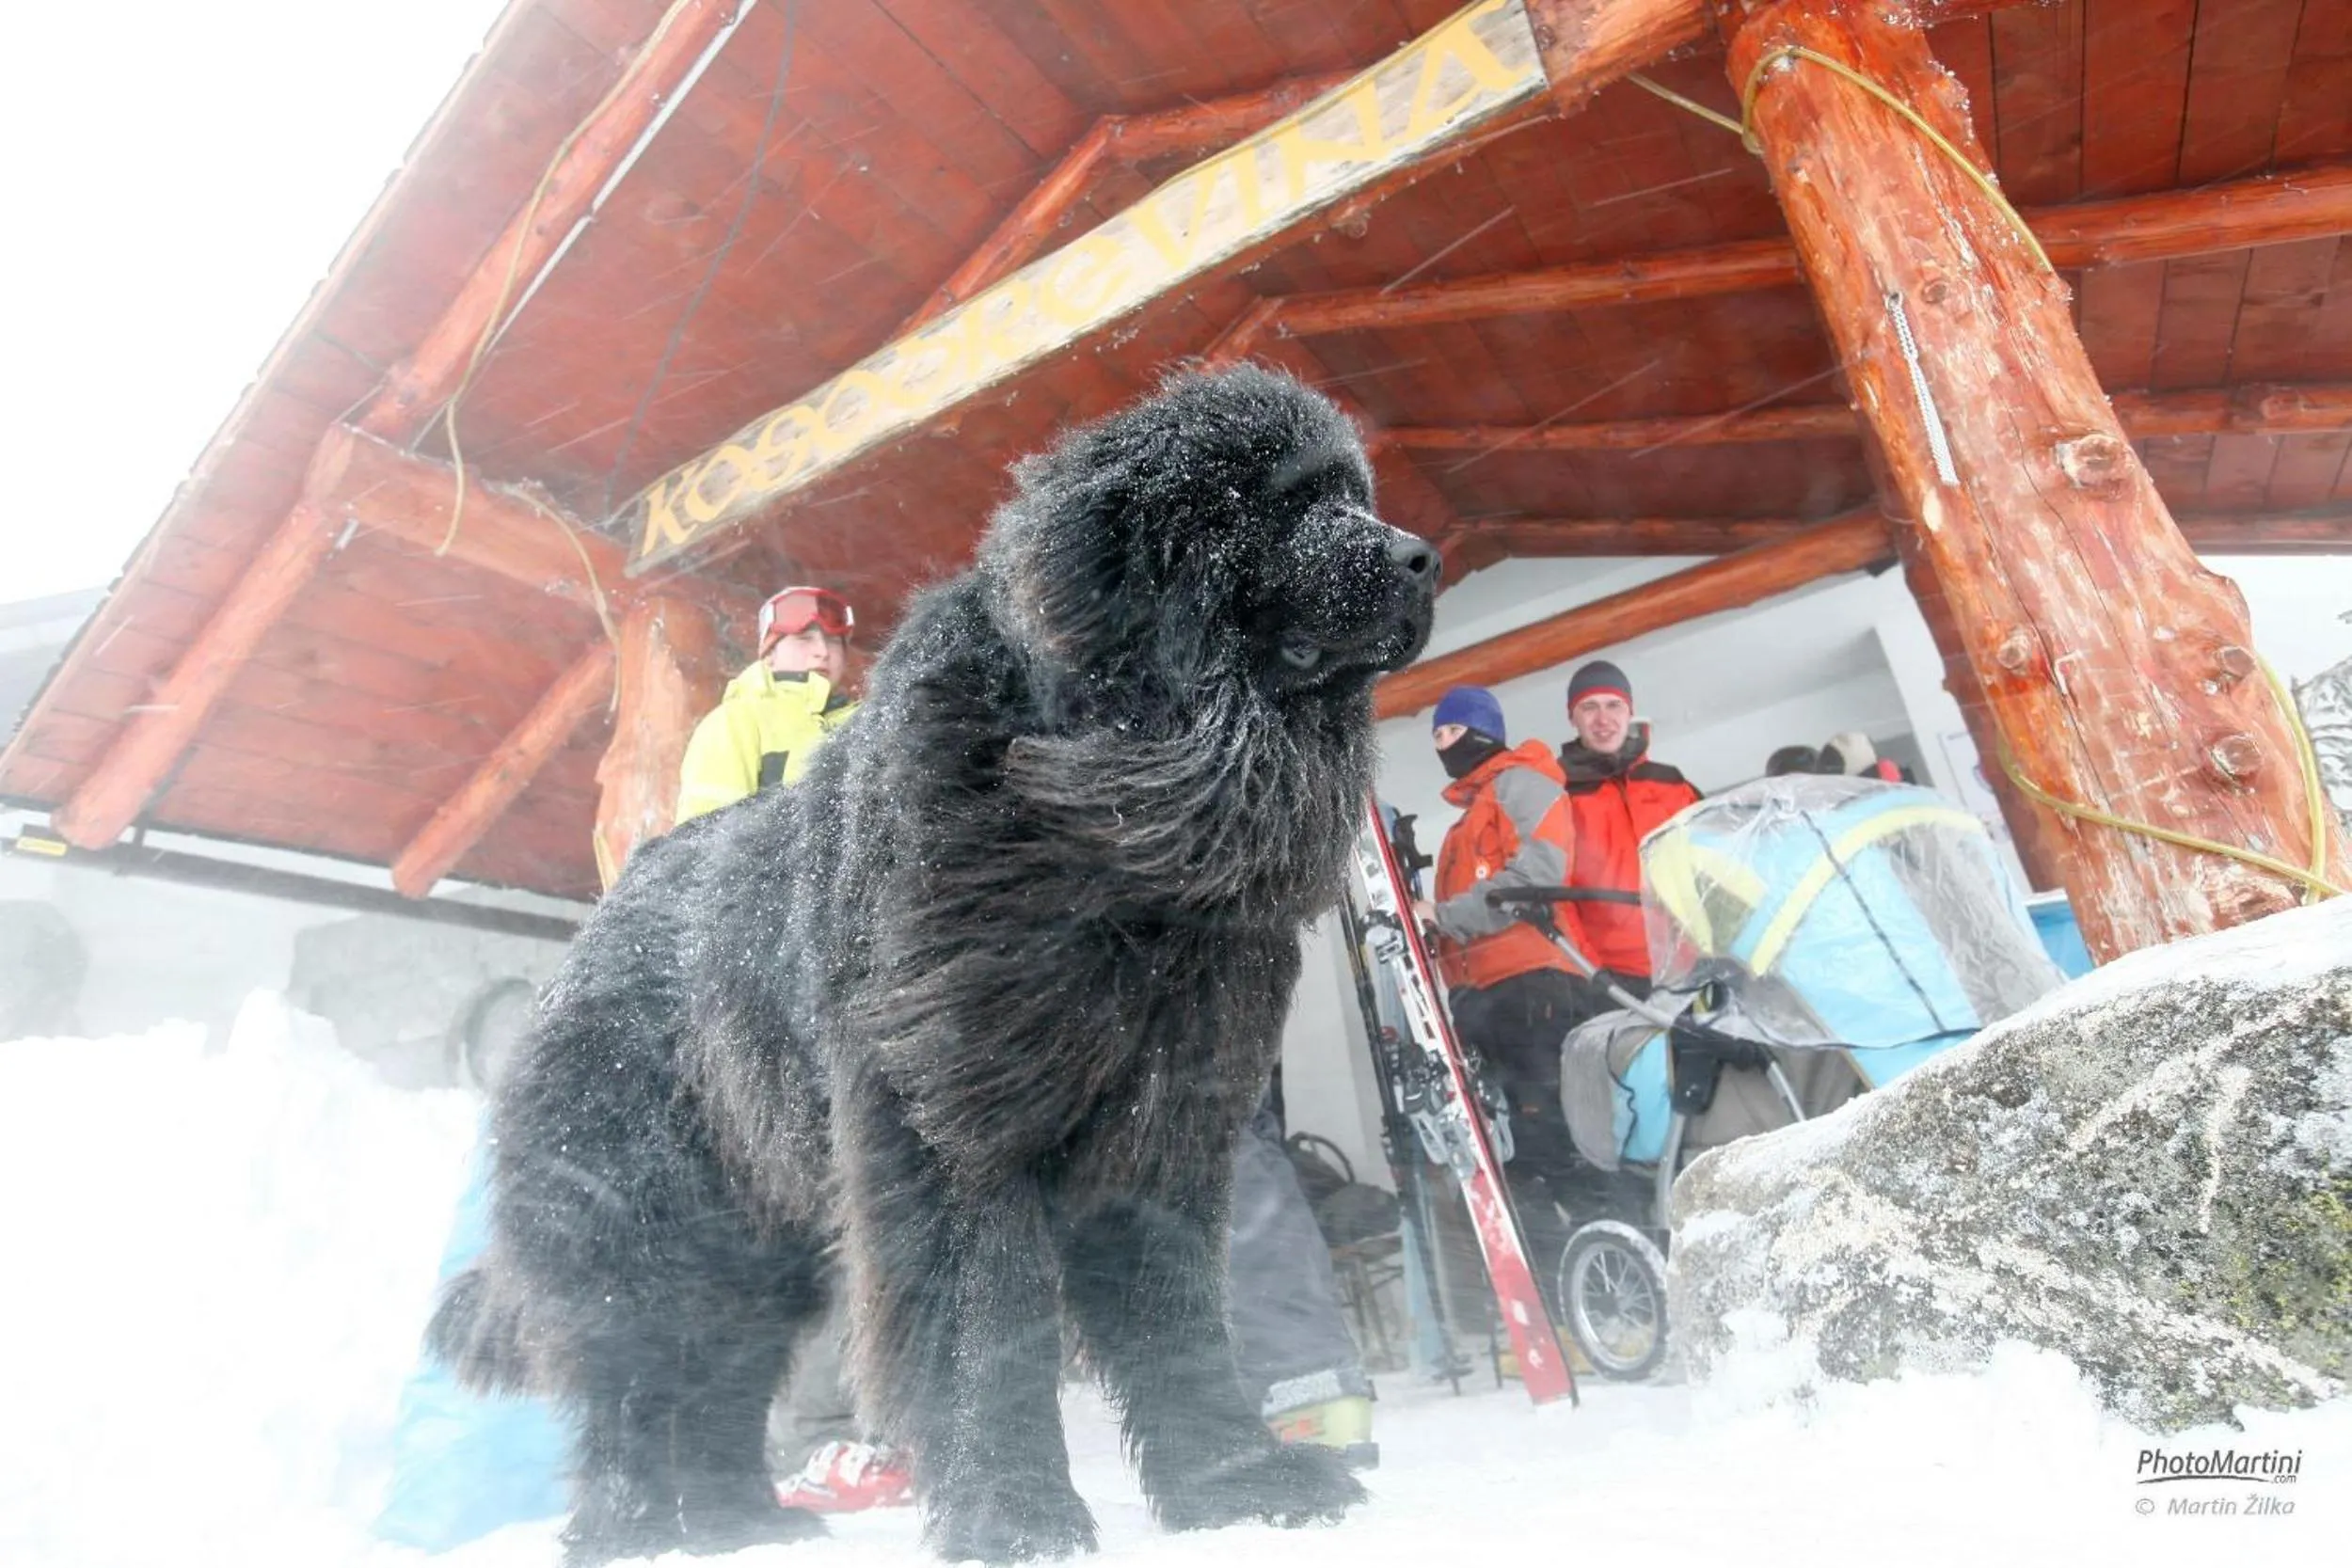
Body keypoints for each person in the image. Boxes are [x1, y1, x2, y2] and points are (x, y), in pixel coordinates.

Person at [1407, 685, 1589, 1273]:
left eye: (1453, 731)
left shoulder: (1524, 786)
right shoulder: (1462, 826)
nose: (1445, 745)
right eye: (1437, 736)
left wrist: (1447, 916)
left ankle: (1616, 1266)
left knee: (1551, 1141)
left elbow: (1535, 874)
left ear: (1484, 729)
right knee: (1510, 1155)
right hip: (1480, 1000)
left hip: (1529, 987)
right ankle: (1563, 1296)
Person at [1554, 660, 1701, 990]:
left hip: (1692, 964)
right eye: (1589, 707)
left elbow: (1713, 868)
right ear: (1572, 718)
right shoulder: (1559, 794)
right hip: (1613, 976)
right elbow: (1557, 892)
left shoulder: (1672, 784)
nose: (1603, 719)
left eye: (1613, 705)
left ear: (1629, 711)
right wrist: (1589, 967)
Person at [675, 585, 859, 819]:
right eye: (804, 639)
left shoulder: (865, 722)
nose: (822, 651)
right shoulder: (736, 722)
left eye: (834, 642)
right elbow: (703, 839)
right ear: (769, 655)